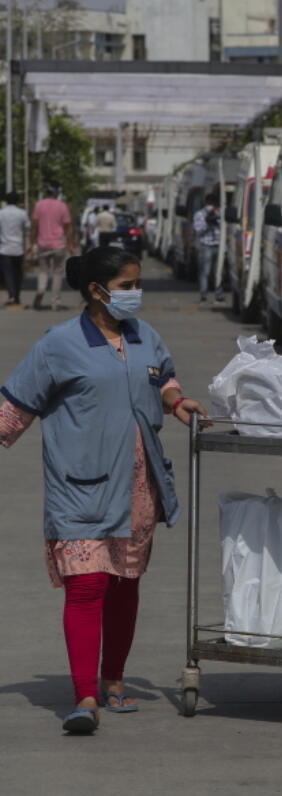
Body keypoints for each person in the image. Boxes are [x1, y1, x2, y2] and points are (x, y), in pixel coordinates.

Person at [0, 246, 211, 735]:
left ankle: (113, 678)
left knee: (123, 583)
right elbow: (14, 407)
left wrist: (177, 400)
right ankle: (84, 697)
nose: (135, 294)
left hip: (137, 486)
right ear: (96, 291)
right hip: (79, 487)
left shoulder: (144, 336)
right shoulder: (59, 343)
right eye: (127, 286)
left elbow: (164, 378)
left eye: (138, 284)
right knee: (88, 584)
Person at [30, 186, 77, 311]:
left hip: (43, 244)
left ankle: (41, 290)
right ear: (57, 193)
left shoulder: (38, 205)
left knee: (43, 271)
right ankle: (55, 302)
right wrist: (71, 244)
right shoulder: (62, 206)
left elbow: (34, 226)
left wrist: (31, 242)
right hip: (58, 244)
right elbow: (67, 227)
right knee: (57, 273)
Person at [0, 192, 31, 308]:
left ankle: (12, 295)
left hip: (4, 248)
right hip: (18, 248)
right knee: (18, 274)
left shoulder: (1, 213)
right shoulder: (22, 213)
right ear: (17, 201)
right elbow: (27, 229)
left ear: (6, 201)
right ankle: (16, 296)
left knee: (8, 273)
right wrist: (28, 245)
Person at [192, 195, 224, 303]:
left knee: (219, 271)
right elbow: (198, 230)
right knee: (205, 272)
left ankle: (219, 294)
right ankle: (204, 295)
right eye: (210, 203)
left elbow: (225, 228)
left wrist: (217, 221)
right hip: (206, 245)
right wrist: (207, 222)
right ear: (206, 202)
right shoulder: (200, 214)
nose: (211, 206)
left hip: (219, 245)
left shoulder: (220, 213)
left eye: (213, 204)